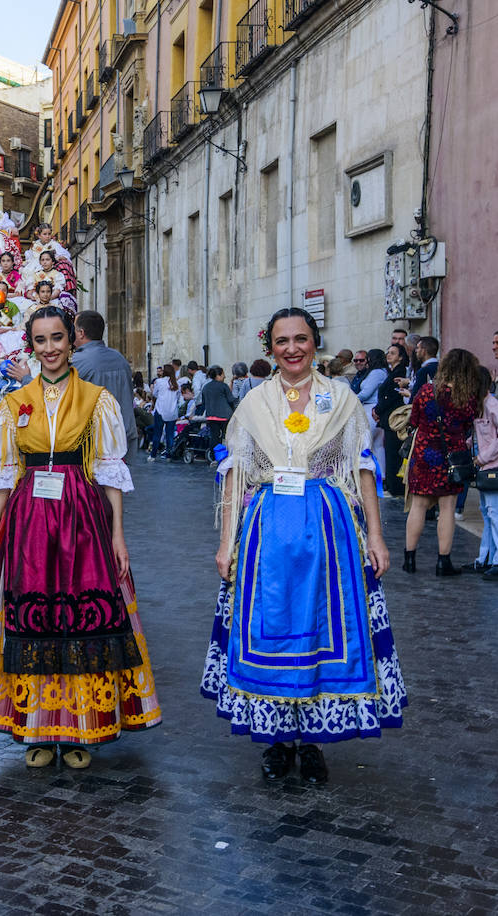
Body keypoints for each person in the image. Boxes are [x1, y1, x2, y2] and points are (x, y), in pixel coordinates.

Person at [204, 308, 404, 784]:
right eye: (281, 341)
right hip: (266, 531)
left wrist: (375, 535)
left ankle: (312, 740)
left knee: (320, 629)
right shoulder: (253, 403)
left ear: (315, 342)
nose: (292, 348)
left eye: (300, 339)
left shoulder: (341, 399)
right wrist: (225, 541)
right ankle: (276, 740)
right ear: (268, 347)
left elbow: (361, 469)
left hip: (327, 530)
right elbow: (235, 476)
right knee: (270, 625)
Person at [0, 307, 160, 768]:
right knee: (35, 621)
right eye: (42, 340)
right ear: (31, 345)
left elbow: (110, 472)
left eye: (58, 338)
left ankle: (79, 729)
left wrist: (118, 535)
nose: (50, 348)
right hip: (28, 519)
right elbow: (5, 473)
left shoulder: (96, 399)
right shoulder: (11, 403)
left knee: (80, 619)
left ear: (73, 341)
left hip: (81, 517)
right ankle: (37, 730)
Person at [403, 348, 486, 576]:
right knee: (447, 508)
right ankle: (443, 561)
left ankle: (409, 559)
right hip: (452, 456)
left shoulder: (427, 390)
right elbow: (470, 423)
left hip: (424, 454)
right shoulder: (467, 397)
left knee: (418, 506)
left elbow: (415, 419)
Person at [71, 310, 138, 461]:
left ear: (81, 333)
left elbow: (52, 389)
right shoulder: (120, 359)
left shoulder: (77, 361)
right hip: (122, 437)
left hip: (93, 442)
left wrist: (25, 378)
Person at [374, 343, 410, 498]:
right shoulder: (391, 371)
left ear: (400, 357)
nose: (389, 355)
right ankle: (391, 483)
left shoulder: (400, 372)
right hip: (387, 415)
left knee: (393, 451)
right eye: (388, 352)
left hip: (394, 416)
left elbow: (393, 395)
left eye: (393, 353)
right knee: (389, 449)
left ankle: (395, 486)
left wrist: (379, 409)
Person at [472, 371, 498, 579]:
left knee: (494, 514)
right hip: (484, 466)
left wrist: (483, 457)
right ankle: (485, 558)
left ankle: (495, 560)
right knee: (487, 513)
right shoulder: (479, 407)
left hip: (491, 466)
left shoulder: (492, 406)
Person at [198, 366, 236, 444]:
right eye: (223, 374)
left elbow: (203, 402)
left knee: (214, 437)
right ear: (218, 376)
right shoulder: (223, 386)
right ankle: (226, 453)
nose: (224, 377)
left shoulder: (205, 387)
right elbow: (230, 400)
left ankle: (214, 454)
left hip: (211, 416)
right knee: (227, 436)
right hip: (224, 416)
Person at [148, 365, 179, 459]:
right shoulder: (176, 384)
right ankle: (169, 454)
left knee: (157, 433)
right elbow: (177, 398)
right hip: (172, 411)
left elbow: (155, 393)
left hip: (161, 410)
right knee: (169, 434)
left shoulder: (159, 382)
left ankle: (153, 455)